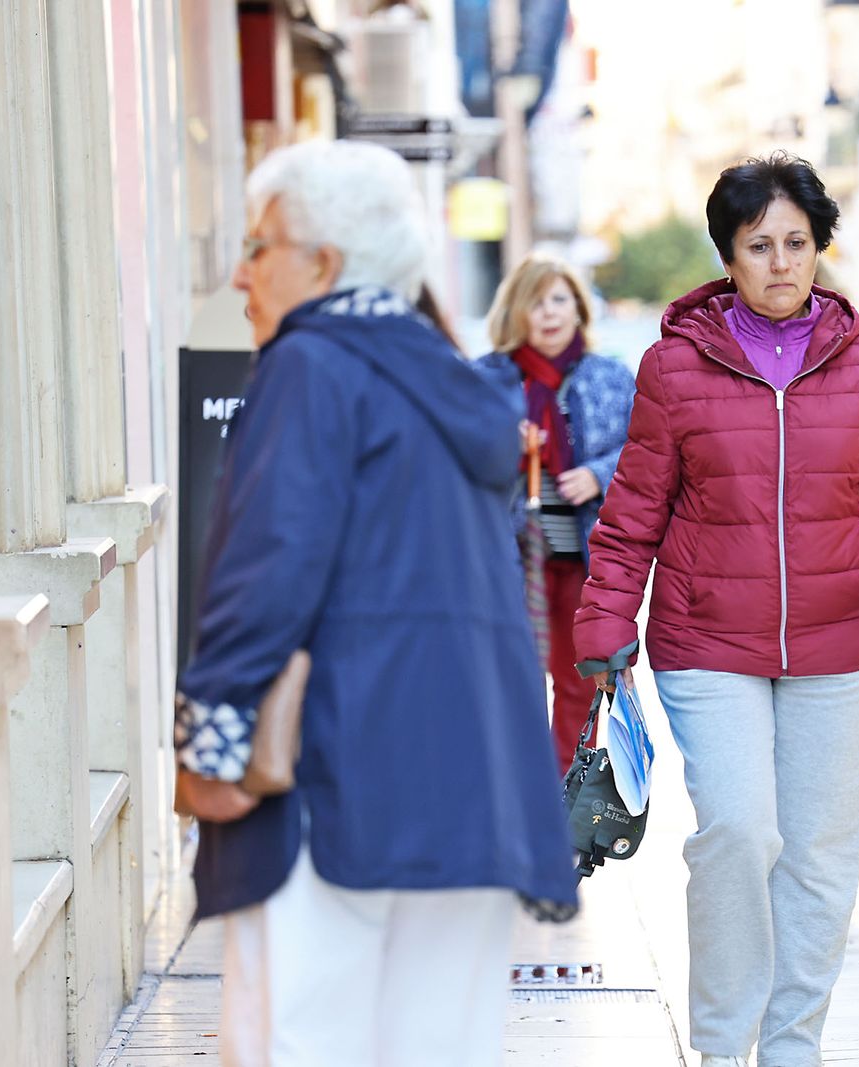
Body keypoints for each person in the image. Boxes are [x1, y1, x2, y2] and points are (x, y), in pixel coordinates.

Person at [573, 152, 859, 1067]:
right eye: (759, 245)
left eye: (796, 243)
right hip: (706, 640)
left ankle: (793, 1047)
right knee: (737, 830)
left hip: (840, 646)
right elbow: (633, 510)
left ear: (819, 250)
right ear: (728, 256)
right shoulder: (674, 367)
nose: (780, 262)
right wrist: (606, 626)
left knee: (818, 858)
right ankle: (725, 1047)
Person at [173, 140, 577, 1066]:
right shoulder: (448, 379)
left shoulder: (309, 367)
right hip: (476, 786)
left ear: (324, 263)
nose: (240, 273)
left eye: (258, 245)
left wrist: (212, 745)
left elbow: (266, 568)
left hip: (339, 773)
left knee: (299, 1042)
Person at [475, 254, 635, 774]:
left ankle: (562, 793)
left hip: (582, 562)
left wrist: (599, 473)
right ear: (516, 311)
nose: (549, 312)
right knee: (508, 684)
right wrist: (504, 447)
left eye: (559, 300)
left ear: (579, 309)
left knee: (578, 683)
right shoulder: (486, 381)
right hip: (507, 561)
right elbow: (455, 457)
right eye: (536, 301)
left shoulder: (610, 377)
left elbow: (647, 450)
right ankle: (516, 791)